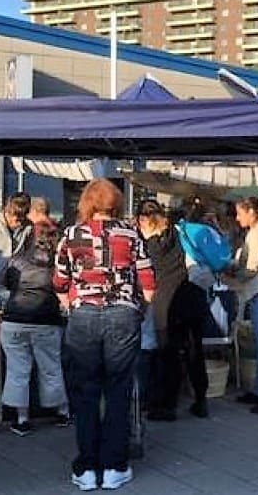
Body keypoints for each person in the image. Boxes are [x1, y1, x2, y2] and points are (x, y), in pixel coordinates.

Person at [54, 178, 154, 491]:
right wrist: (139, 312)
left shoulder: (71, 235)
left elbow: (59, 282)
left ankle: (86, 468)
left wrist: (71, 304)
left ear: (86, 202)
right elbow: (148, 283)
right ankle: (114, 466)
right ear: (116, 202)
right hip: (123, 314)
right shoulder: (130, 232)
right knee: (118, 388)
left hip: (83, 314)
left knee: (85, 391)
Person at [136, 200, 210, 422]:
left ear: (146, 220)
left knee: (169, 355)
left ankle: (168, 405)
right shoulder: (179, 233)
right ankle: (201, 400)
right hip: (194, 297)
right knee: (195, 351)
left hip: (168, 305)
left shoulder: (151, 246)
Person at [0, 201, 69, 437]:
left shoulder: (18, 259)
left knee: (18, 370)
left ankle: (22, 419)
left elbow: (7, 283)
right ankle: (61, 411)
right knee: (51, 367)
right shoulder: (58, 264)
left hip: (14, 319)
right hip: (47, 320)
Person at [223, 197, 258, 415]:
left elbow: (250, 269)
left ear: (251, 213)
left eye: (240, 213)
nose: (237, 218)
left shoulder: (257, 234)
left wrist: (230, 276)